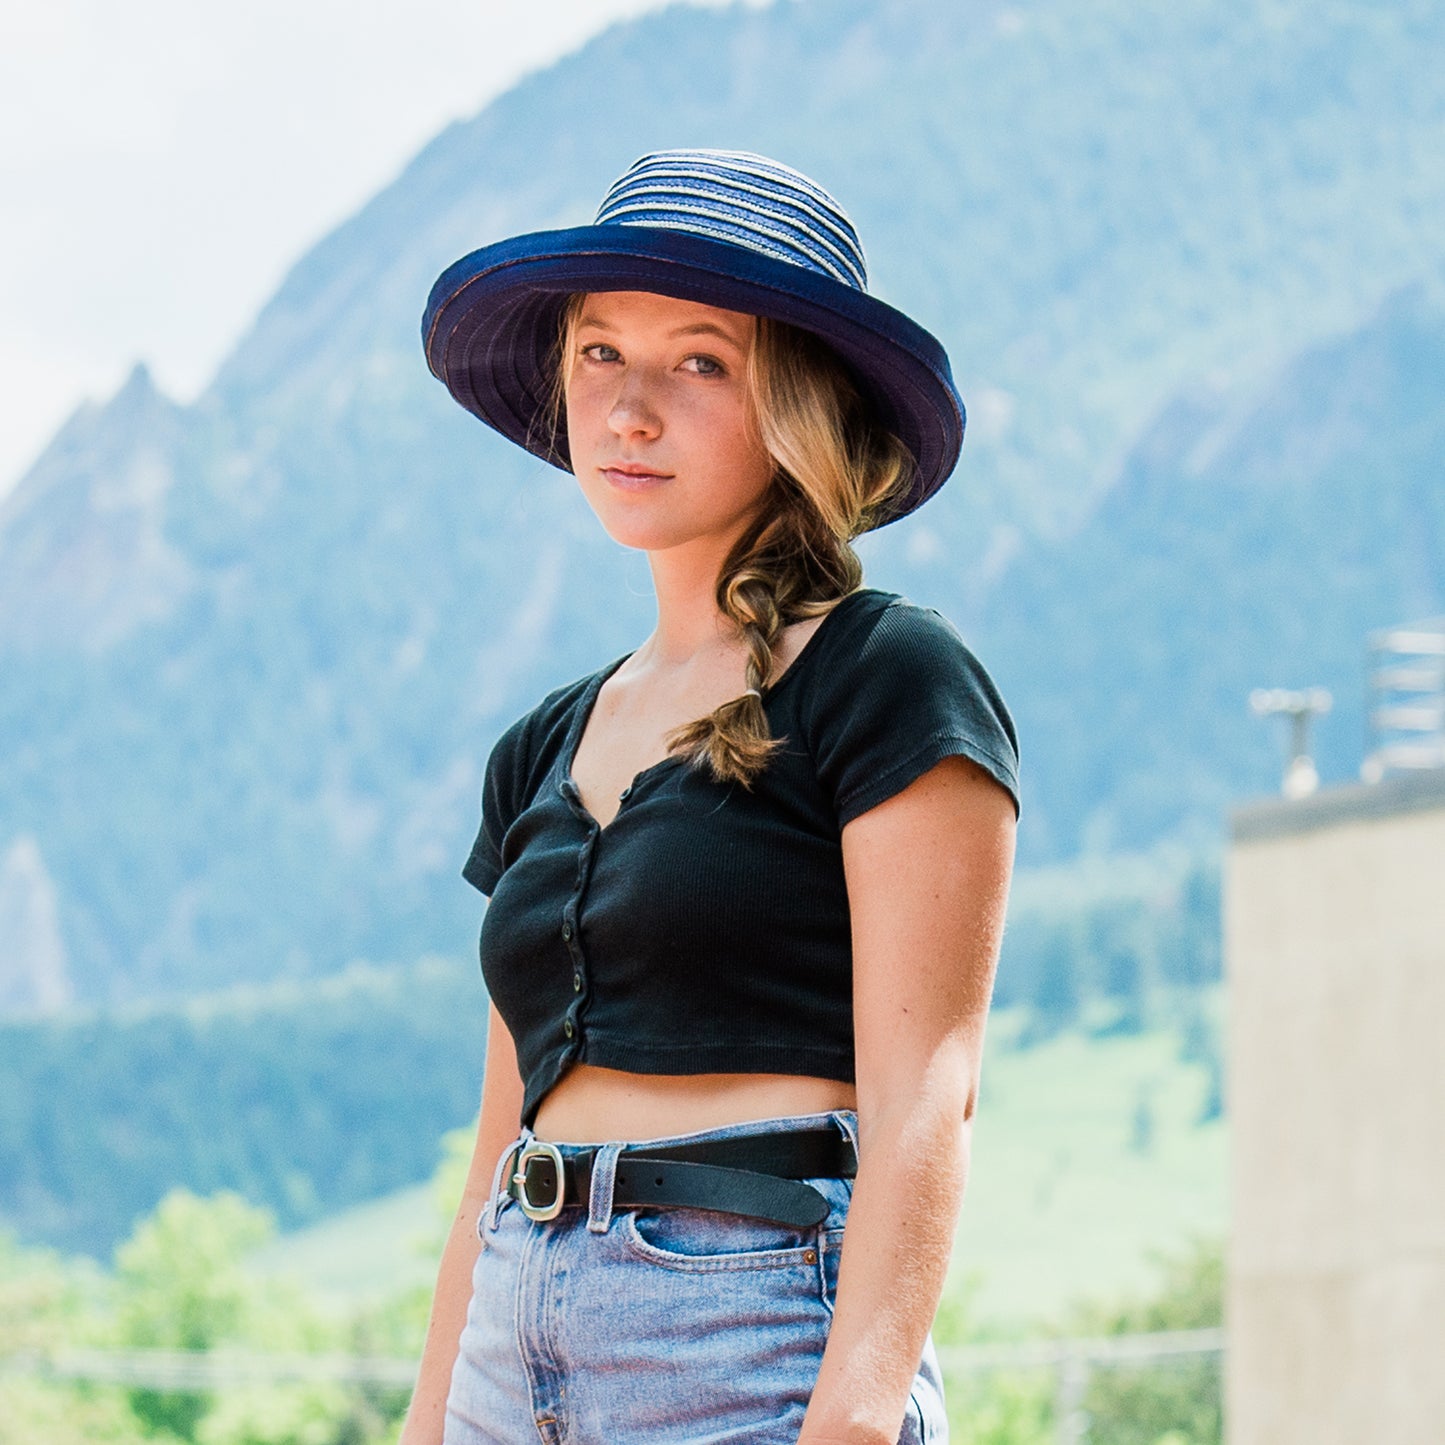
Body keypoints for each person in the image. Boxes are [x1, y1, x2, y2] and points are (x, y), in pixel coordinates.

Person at [402, 149, 1019, 1444]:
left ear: (797, 404)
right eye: (597, 355)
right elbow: (494, 1145)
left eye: (697, 362)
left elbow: (928, 1086)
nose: (627, 410)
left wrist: (853, 1416)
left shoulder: (886, 675)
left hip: (747, 1325)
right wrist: (429, 1419)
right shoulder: (539, 744)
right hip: (514, 1328)